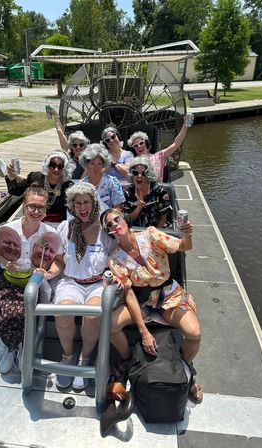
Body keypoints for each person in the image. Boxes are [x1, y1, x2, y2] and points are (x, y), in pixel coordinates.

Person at [100, 208, 203, 404]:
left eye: (117, 219)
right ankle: (130, 359)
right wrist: (144, 331)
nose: (114, 224)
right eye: (109, 225)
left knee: (194, 333)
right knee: (110, 324)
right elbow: (129, 293)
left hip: (168, 295)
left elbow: (184, 246)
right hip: (142, 301)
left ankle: (184, 368)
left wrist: (186, 233)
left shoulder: (151, 234)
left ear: (126, 220)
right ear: (109, 232)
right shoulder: (115, 259)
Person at [0, 186, 64, 374]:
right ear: (24, 205)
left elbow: (60, 262)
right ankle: (11, 345)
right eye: (32, 206)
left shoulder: (50, 234)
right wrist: (6, 262)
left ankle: (23, 345)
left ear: (46, 210)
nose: (36, 211)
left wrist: (48, 274)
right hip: (10, 280)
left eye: (41, 207)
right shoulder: (7, 229)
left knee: (24, 310)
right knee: (10, 312)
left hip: (36, 284)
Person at [54, 183, 119, 390]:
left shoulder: (105, 230)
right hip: (71, 282)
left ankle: (85, 357)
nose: (82, 207)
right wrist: (47, 272)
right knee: (63, 313)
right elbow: (58, 259)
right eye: (78, 203)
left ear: (94, 203)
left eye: (87, 202)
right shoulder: (65, 227)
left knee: (91, 316)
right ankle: (68, 355)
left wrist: (116, 273)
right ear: (72, 205)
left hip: (98, 283)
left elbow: (115, 257)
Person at [0, 150, 74, 221]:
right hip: (33, 221)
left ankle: (5, 169)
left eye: (60, 166)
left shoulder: (68, 186)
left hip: (58, 225)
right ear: (47, 165)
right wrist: (11, 178)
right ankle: (7, 171)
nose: (56, 169)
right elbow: (15, 191)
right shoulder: (36, 177)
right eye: (52, 165)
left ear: (65, 168)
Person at [127, 114, 194, 182]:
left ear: (146, 143)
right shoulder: (133, 162)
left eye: (141, 143)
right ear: (133, 149)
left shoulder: (159, 156)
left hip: (157, 190)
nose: (139, 146)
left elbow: (176, 143)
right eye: (135, 145)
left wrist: (185, 125)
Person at [122, 156, 173, 228]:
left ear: (148, 175)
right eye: (135, 172)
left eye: (143, 173)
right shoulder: (127, 193)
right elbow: (128, 220)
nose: (139, 176)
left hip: (157, 231)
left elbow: (163, 218)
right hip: (135, 231)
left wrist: (153, 235)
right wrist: (138, 208)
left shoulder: (160, 192)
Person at [79, 143, 125, 209]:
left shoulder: (112, 183)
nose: (96, 167)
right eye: (93, 164)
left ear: (103, 165)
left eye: (99, 164)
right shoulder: (81, 185)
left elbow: (118, 209)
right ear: (86, 164)